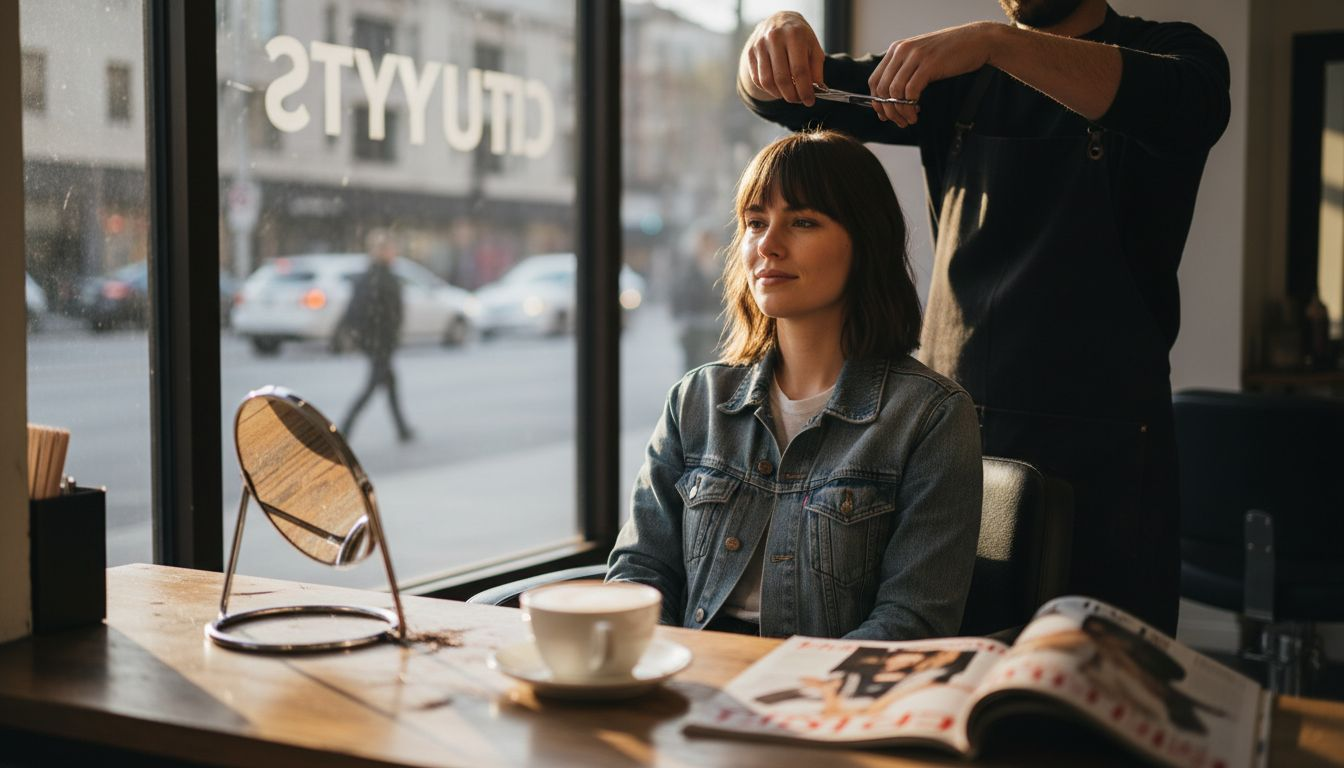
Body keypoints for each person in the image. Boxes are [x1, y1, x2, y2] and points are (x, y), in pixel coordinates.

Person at [738, 1, 1232, 635]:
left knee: (1101, 684)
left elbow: (1188, 104)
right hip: (949, 433)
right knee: (940, 662)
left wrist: (997, 45)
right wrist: (772, 35)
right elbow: (786, 99)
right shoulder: (955, 81)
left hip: (1107, 451)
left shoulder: (1177, 56)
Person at [607, 130, 983, 640]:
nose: (768, 244)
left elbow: (912, 621)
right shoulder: (696, 401)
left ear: (865, 241)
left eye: (803, 222)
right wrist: (673, 675)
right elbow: (638, 574)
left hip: (828, 700)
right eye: (755, 223)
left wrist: (780, 696)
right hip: (689, 681)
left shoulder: (931, 416)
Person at [339, 228, 414, 442]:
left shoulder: (372, 275)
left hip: (378, 341)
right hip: (380, 342)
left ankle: (402, 429)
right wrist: (378, 337)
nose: (395, 253)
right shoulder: (380, 277)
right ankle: (344, 428)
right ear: (382, 251)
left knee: (390, 382)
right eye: (391, 249)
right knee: (372, 387)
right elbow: (373, 313)